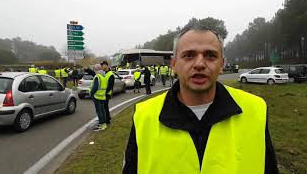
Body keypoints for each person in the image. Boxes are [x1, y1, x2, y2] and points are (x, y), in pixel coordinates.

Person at [123, 24, 279, 173]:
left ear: (222, 64)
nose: (199, 64)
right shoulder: (144, 116)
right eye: (189, 55)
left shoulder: (255, 110)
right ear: (174, 64)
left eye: (210, 55)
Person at [89, 64, 107, 131]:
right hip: (102, 96)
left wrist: (91, 93)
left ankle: (101, 125)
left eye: (94, 70)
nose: (94, 71)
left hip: (97, 96)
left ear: (96, 70)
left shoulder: (97, 76)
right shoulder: (103, 76)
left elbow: (95, 87)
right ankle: (104, 124)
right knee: (103, 110)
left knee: (99, 111)